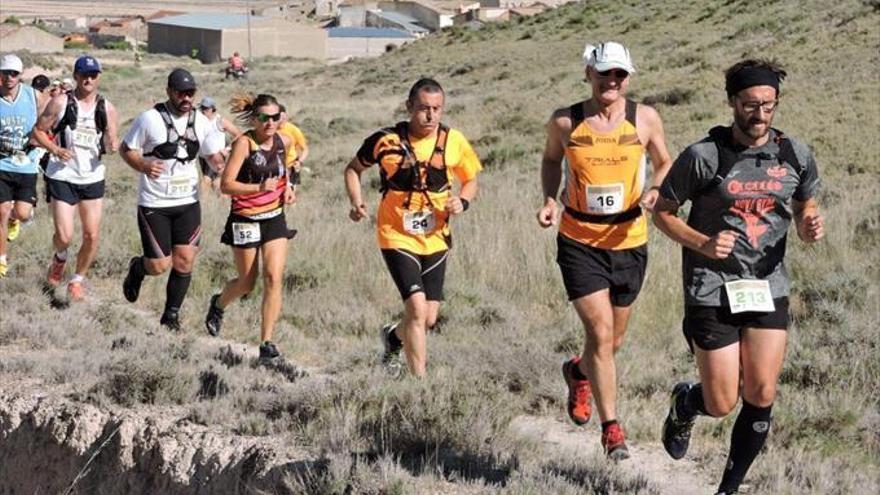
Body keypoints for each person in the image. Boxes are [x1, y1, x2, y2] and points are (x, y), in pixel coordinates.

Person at [653, 59, 823, 495]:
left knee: (762, 392)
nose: (760, 114)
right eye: (750, 105)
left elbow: (805, 206)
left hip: (768, 286)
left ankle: (727, 490)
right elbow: (663, 215)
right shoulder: (703, 156)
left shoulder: (794, 155)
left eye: (768, 105)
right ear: (732, 103)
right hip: (711, 287)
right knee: (722, 401)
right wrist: (702, 243)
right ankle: (686, 402)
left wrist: (808, 224)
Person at [536, 41, 672, 459]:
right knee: (600, 332)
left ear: (627, 77)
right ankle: (612, 429)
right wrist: (550, 200)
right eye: (604, 74)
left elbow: (665, 161)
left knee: (610, 344)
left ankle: (578, 372)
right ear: (589, 75)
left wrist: (653, 190)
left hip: (629, 241)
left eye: (619, 75)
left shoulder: (644, 118)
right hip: (580, 240)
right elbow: (550, 161)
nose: (611, 81)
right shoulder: (565, 121)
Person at [344, 78, 482, 377]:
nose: (430, 116)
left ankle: (394, 338)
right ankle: (420, 386)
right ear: (409, 107)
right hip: (396, 235)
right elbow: (353, 169)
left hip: (436, 237)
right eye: (423, 109)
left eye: (436, 109)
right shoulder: (385, 140)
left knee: (429, 318)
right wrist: (356, 202)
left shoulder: (454, 140)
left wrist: (463, 201)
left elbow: (471, 179)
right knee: (417, 310)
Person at [119, 68, 224, 330]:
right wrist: (143, 166)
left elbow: (213, 157)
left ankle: (171, 316)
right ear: (169, 92)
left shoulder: (202, 121)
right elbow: (126, 149)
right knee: (158, 265)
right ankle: (137, 269)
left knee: (185, 259)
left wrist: (226, 164)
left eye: (191, 93)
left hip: (188, 202)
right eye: (181, 93)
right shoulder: (149, 119)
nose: (186, 98)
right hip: (154, 203)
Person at [204, 93, 296, 360]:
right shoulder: (244, 144)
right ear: (254, 119)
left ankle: (266, 342)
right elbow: (226, 185)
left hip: (274, 217)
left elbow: (282, 169)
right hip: (245, 217)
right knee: (247, 282)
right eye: (264, 118)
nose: (270, 123)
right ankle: (219, 303)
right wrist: (258, 187)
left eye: (275, 117)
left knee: (274, 277)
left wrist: (287, 188)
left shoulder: (284, 141)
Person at [31, 55, 119, 300]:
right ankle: (59, 258)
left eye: (93, 75)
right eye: (83, 74)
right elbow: (37, 131)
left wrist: (112, 145)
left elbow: (112, 141)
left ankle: (77, 280)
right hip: (62, 175)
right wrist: (56, 150)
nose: (88, 79)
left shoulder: (107, 108)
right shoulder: (61, 102)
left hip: (92, 176)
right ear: (76, 76)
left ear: (98, 77)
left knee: (92, 234)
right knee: (65, 236)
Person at [0, 53, 42, 277]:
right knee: (1, 212)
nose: (9, 78)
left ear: (20, 76)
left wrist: (44, 140)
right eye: (5, 73)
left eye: (14, 74)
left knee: (22, 212)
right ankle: (1, 261)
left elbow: (48, 118)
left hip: (26, 163)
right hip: (1, 163)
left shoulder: (33, 96)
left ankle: (16, 220)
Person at [197, 96, 242, 193]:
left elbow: (238, 134)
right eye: (202, 108)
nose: (203, 111)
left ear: (213, 109)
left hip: (217, 157)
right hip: (202, 157)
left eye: (205, 108)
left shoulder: (220, 121)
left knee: (207, 183)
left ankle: (208, 206)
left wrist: (228, 149)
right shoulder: (199, 121)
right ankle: (218, 204)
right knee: (214, 184)